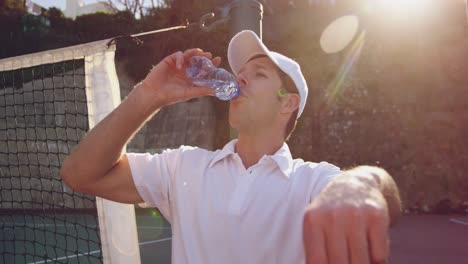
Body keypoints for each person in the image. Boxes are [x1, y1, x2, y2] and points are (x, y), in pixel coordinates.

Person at [61, 30, 401, 264]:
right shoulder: (184, 166)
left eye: (259, 74)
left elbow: (382, 194)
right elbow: (79, 174)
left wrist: (359, 183)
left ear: (288, 103)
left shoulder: (311, 182)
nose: (239, 78)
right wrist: (149, 96)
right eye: (240, 72)